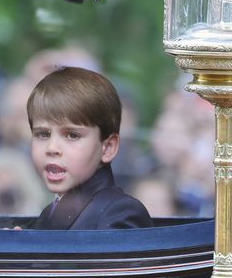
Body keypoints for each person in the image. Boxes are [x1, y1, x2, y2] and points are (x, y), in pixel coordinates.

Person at [24, 66, 153, 230]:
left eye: (72, 135)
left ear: (107, 148)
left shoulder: (119, 213)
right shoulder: (49, 213)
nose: (52, 148)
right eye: (43, 134)